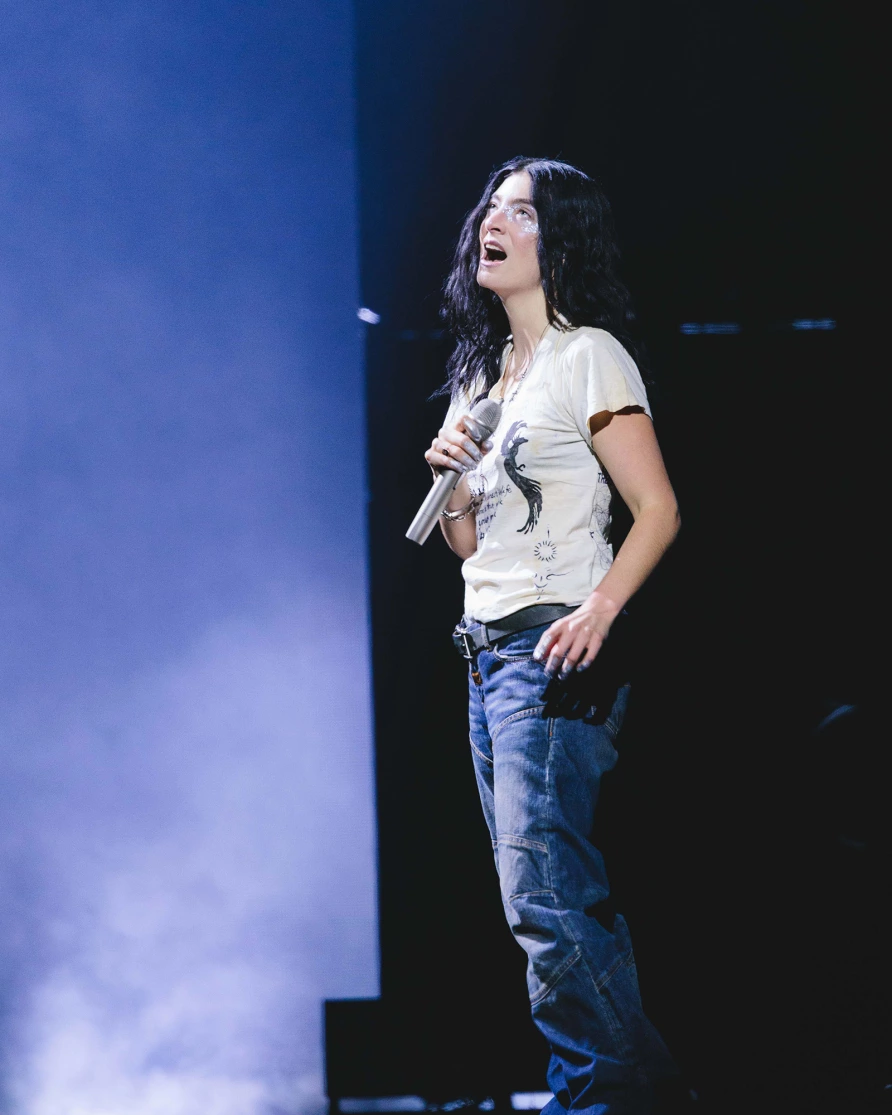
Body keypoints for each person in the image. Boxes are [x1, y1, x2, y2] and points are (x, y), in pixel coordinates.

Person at [423, 158, 684, 1114]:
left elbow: (656, 507)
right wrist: (454, 474)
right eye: (490, 207)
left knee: (548, 895)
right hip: (482, 651)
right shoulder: (481, 377)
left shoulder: (590, 356)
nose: (494, 222)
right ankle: (614, 1090)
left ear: (558, 239)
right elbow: (463, 543)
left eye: (521, 212)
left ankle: (617, 1096)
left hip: (551, 648)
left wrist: (600, 609)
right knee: (531, 899)